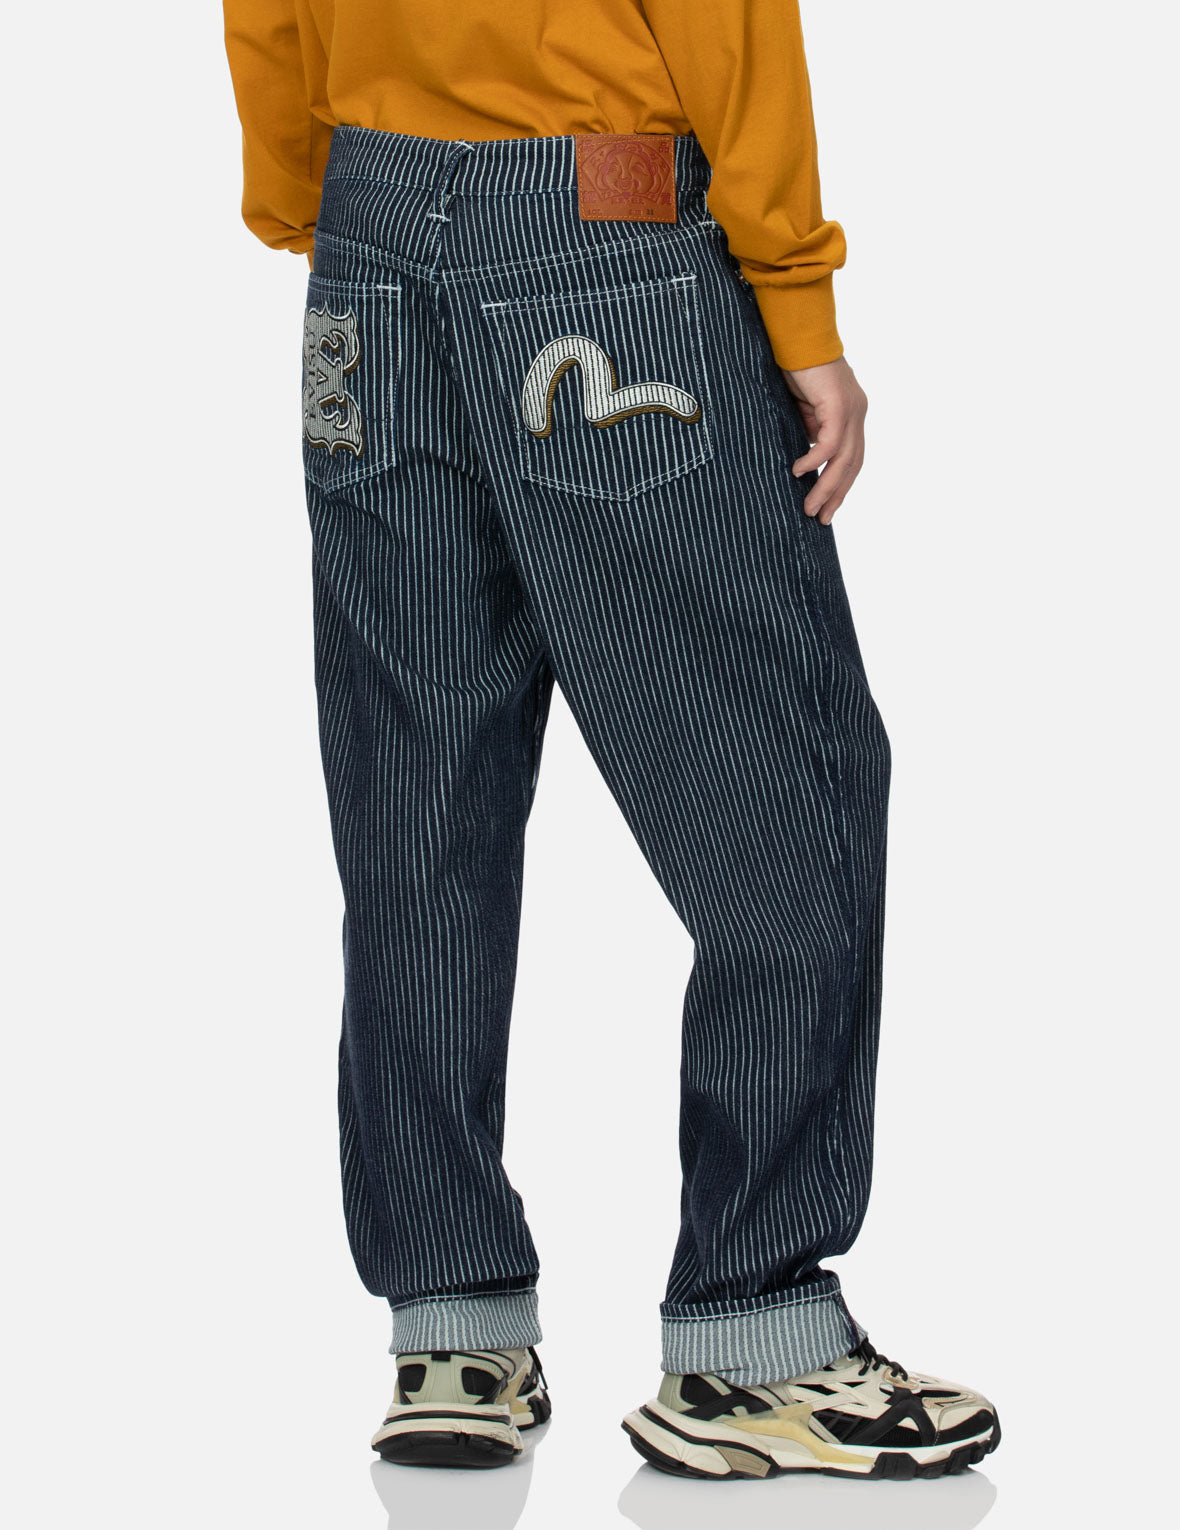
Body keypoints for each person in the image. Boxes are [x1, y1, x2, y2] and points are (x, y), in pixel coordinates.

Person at [221, 0, 1000, 1481]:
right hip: (598, 240)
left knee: (416, 801)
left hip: (363, 260)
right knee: (785, 775)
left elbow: (265, 17)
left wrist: (314, 195)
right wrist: (799, 306)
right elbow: (730, 26)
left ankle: (451, 1326)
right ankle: (755, 1334)